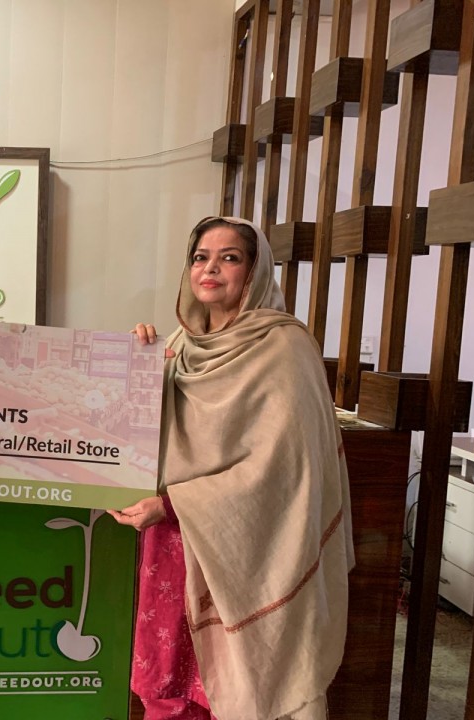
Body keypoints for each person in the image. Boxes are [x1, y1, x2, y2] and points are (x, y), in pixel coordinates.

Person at [109, 216, 354, 720]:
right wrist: (135, 365)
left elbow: (286, 468)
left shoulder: (285, 348)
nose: (211, 268)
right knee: (170, 682)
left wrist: (175, 504)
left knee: (236, 685)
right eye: (201, 257)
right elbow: (145, 432)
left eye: (230, 257)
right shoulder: (181, 346)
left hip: (246, 547)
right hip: (176, 541)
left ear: (255, 270)